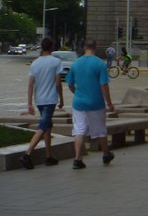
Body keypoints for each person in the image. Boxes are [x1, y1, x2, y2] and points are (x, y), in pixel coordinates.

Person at [66, 38, 115, 169]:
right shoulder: (100, 64)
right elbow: (104, 85)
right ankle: (105, 155)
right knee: (100, 130)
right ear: (95, 47)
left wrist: (77, 93)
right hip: (96, 103)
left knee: (79, 130)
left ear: (84, 47)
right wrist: (109, 102)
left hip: (79, 103)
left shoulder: (76, 64)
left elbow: (70, 84)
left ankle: (77, 159)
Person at [19, 37, 64, 169]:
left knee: (48, 127)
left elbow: (31, 85)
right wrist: (61, 99)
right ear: (51, 47)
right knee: (43, 126)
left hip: (39, 100)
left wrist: (29, 103)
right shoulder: (56, 62)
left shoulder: (35, 63)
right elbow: (58, 83)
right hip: (50, 100)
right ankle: (27, 154)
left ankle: (49, 156)